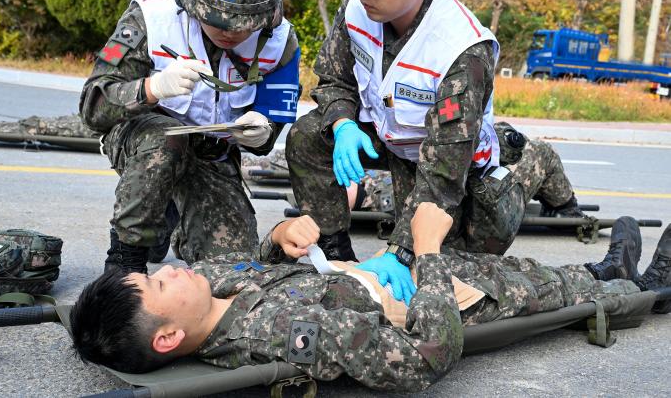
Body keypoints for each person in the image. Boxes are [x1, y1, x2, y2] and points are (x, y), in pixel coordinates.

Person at [285, 0, 584, 295]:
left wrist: (401, 251)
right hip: (392, 138)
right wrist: (342, 124)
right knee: (308, 133)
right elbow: (333, 78)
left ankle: (534, 161)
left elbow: (444, 172)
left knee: (466, 262)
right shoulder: (358, 10)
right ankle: (333, 245)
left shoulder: (461, 48)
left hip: (457, 166)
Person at [69, 204, 671, 392]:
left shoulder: (208, 291)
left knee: (527, 266)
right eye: (156, 284)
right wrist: (430, 252)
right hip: (436, 302)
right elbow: (425, 359)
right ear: (169, 337)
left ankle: (604, 268)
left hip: (383, 271)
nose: (170, 270)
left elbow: (252, 261)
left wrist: (278, 239)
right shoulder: (284, 338)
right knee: (536, 286)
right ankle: (643, 291)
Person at [79, 0, 301, 274]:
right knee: (166, 139)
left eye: (242, 27)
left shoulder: (280, 42)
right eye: (216, 21)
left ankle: (172, 213)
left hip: (212, 155)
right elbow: (93, 107)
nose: (228, 33)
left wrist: (262, 131)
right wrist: (152, 88)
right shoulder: (150, 19)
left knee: (232, 268)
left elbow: (271, 126)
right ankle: (127, 255)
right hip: (146, 143)